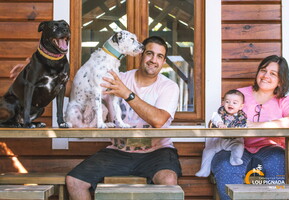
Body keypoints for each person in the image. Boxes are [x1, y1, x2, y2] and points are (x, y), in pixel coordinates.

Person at [64, 36, 181, 200]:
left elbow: (159, 120)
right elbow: (79, 89)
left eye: (159, 56)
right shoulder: (120, 78)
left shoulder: (169, 86)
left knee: (168, 181)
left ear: (163, 61)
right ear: (141, 55)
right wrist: (38, 72)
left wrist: (127, 94)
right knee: (74, 181)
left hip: (157, 152)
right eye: (149, 53)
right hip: (119, 151)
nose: (153, 60)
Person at [211, 55, 289, 200]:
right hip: (235, 145)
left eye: (273, 73)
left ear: (281, 80)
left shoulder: (285, 101)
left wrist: (262, 125)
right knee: (225, 165)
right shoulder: (240, 95)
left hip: (270, 148)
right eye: (263, 70)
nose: (265, 76)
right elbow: (219, 119)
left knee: (278, 161)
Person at [195, 89, 247, 177]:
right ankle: (204, 169)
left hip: (233, 141)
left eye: (235, 103)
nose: (230, 104)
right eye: (227, 102)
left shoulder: (241, 117)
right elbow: (215, 119)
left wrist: (241, 129)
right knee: (208, 150)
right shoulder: (220, 114)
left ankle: (235, 158)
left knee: (239, 146)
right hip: (218, 141)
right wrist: (219, 123)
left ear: (241, 106)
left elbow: (245, 126)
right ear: (223, 103)